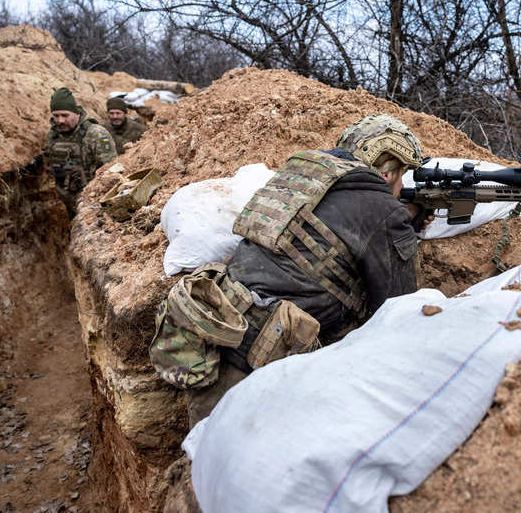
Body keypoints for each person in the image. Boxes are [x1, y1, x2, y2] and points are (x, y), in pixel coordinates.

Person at [151, 114, 432, 426]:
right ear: (387, 168)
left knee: (209, 455)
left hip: (220, 330)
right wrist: (400, 228)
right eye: (401, 174)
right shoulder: (382, 209)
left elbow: (322, 236)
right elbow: (397, 310)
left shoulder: (301, 173)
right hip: (269, 362)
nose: (401, 185)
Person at [44, 87, 117, 216]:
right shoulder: (53, 135)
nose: (60, 120)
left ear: (77, 113)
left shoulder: (96, 134)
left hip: (91, 203)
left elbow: (112, 171)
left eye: (65, 115)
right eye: (56, 116)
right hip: (65, 199)